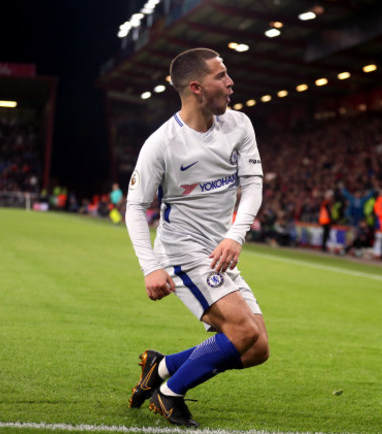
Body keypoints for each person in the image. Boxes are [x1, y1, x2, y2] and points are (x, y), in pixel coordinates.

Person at [124, 48, 268, 427]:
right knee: (242, 331)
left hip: (221, 248)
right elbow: (135, 207)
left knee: (257, 349)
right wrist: (150, 267)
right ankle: (169, 395)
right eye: (221, 76)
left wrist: (236, 235)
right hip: (182, 250)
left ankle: (163, 367)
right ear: (196, 87)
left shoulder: (239, 124)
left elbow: (253, 183)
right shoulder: (162, 143)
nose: (231, 82)